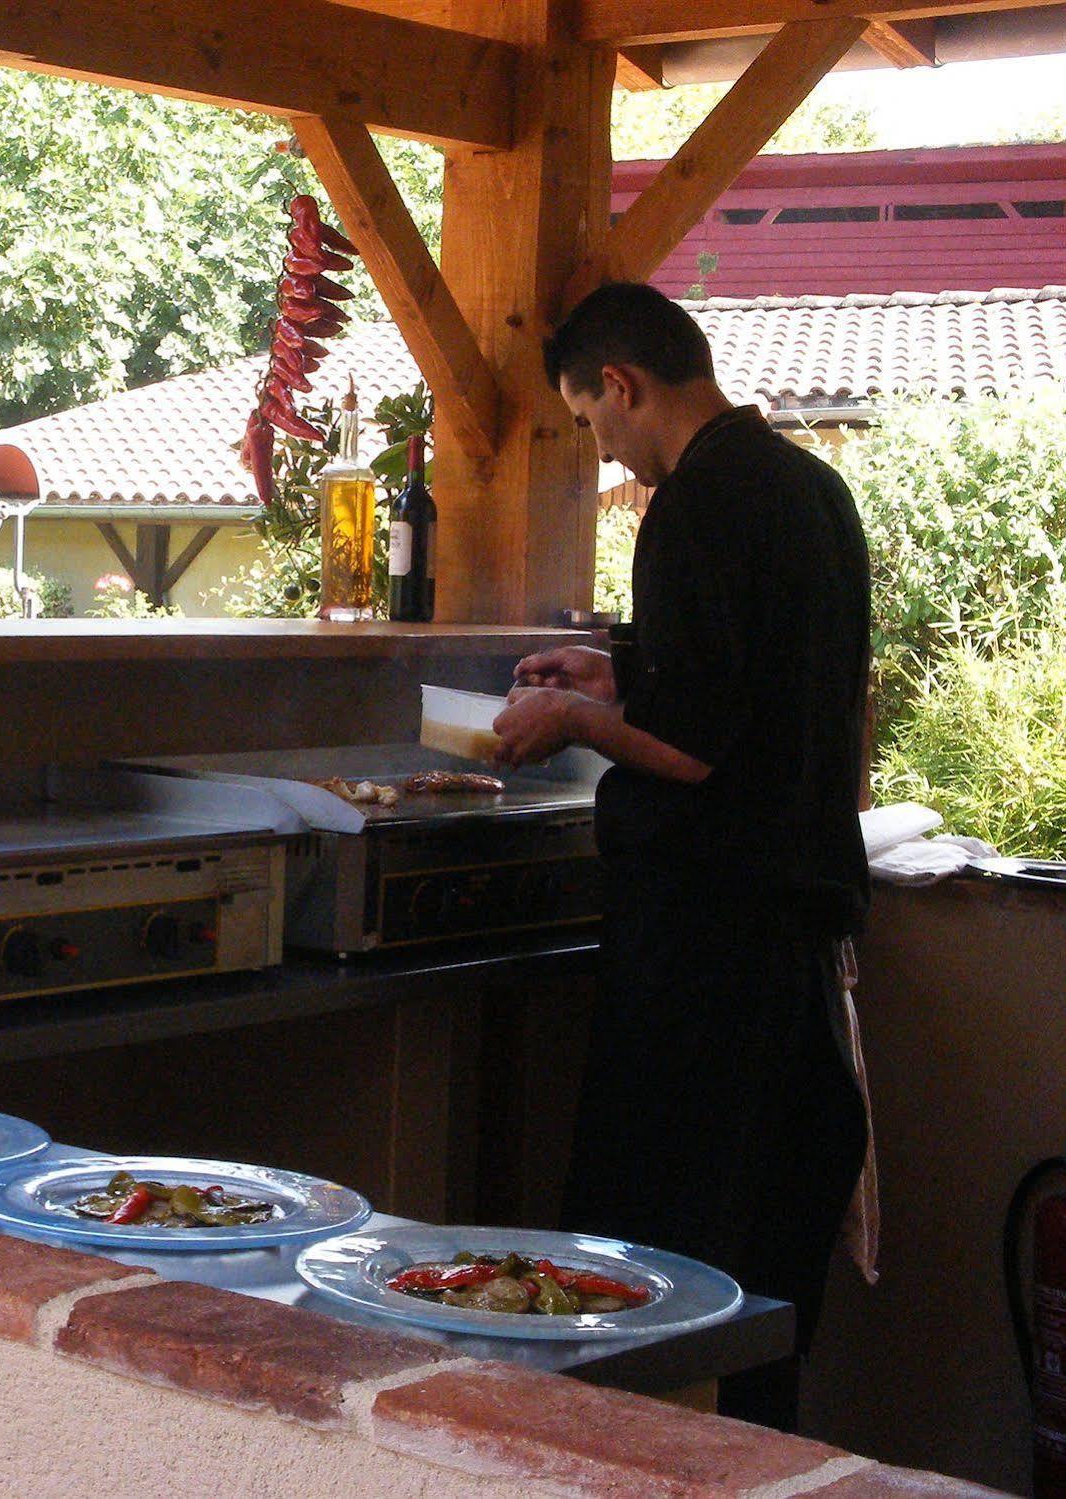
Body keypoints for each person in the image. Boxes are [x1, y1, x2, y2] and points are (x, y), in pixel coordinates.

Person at [493, 281, 871, 1432]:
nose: (599, 445)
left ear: (623, 384)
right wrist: (615, 672)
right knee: (765, 1264)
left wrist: (572, 724)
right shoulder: (811, 490)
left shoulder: (695, 503)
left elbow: (697, 750)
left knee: (659, 1262)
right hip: (801, 940)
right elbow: (756, 689)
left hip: (707, 951)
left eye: (587, 419)